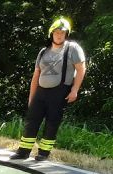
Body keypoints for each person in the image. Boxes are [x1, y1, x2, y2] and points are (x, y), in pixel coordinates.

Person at [11, 18, 86, 161]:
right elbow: (36, 75)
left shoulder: (73, 48)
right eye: (57, 32)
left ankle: (43, 153)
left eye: (62, 32)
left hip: (59, 91)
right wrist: (31, 97)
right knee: (32, 120)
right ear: (51, 33)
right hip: (41, 91)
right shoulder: (43, 52)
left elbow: (81, 70)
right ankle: (23, 151)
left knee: (52, 122)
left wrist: (74, 90)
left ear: (66, 34)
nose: (59, 35)